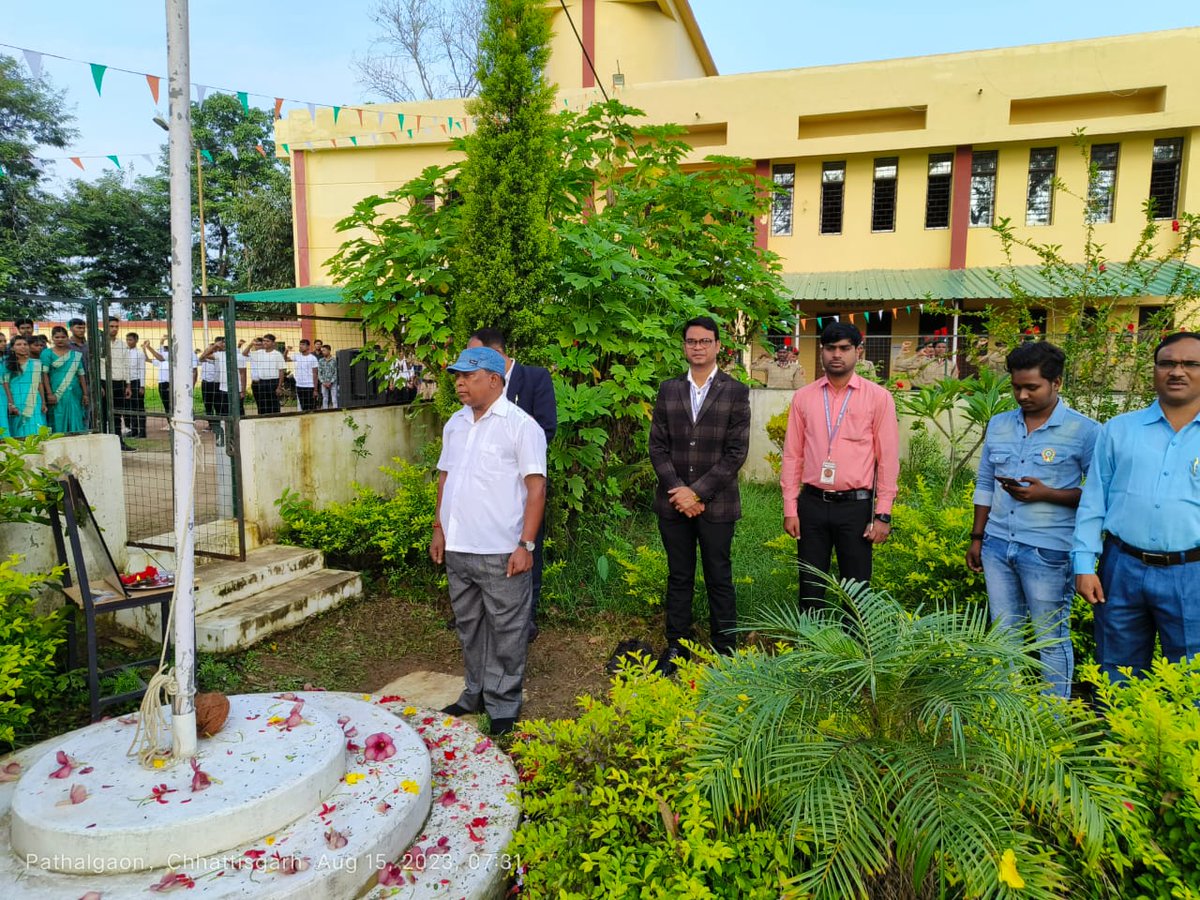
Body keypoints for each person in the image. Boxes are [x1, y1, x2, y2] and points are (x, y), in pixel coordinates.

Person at [965, 342, 1098, 698]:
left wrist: (1047, 494)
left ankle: (1054, 720)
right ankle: (1009, 713)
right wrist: (977, 537)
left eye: (1031, 387)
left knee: (1050, 639)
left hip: (1048, 550)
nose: (1022, 395)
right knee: (1004, 635)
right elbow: (984, 481)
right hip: (996, 545)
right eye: (1016, 387)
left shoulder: (1084, 432)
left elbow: (1100, 497)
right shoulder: (999, 424)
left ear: (1057, 383)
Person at [430, 346, 546, 737]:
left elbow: (536, 489)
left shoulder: (521, 426)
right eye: (457, 376)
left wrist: (525, 546)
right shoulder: (455, 424)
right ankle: (474, 692)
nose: (460, 383)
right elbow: (445, 479)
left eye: (469, 376)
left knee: (507, 629)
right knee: (470, 625)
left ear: (494, 380)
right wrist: (438, 528)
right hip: (459, 548)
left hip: (501, 549)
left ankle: (504, 702)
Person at [1073, 331, 1200, 684]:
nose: (1178, 371)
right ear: (1155, 370)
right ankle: (1120, 740)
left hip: (1193, 572)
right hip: (1121, 568)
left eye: (1191, 364)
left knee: (1192, 678)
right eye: (1168, 363)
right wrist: (1084, 564)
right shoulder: (1119, 430)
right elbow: (1094, 500)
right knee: (1117, 669)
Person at [649, 316, 751, 673]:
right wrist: (680, 492)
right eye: (691, 341)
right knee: (679, 576)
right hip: (673, 503)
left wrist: (698, 493)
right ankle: (677, 647)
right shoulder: (668, 389)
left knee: (719, 575)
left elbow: (736, 453)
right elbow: (657, 447)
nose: (697, 347)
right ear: (684, 346)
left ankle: (725, 650)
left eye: (705, 341)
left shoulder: (735, 391)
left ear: (718, 346)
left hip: (717, 505)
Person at [781, 321, 899, 611]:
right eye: (830, 348)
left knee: (856, 588)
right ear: (821, 351)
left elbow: (887, 459)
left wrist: (882, 514)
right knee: (810, 585)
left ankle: (854, 651)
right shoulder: (804, 397)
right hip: (812, 504)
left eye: (845, 348)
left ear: (858, 351)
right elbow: (792, 455)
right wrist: (789, 508)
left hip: (856, 507)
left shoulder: (879, 397)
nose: (837, 354)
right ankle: (810, 649)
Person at [466, 328, 558, 635]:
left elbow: (546, 429)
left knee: (527, 547)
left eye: (473, 355)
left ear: (495, 354)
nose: (466, 364)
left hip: (521, 486)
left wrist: (507, 454)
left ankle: (526, 618)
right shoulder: (474, 386)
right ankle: (482, 614)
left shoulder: (534, 378)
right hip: (483, 488)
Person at [41, 326, 89, 435]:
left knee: (76, 416)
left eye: (63, 337)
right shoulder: (47, 353)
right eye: (57, 337)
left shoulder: (75, 355)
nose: (60, 339)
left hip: (75, 392)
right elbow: (44, 375)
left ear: (67, 338)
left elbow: (81, 375)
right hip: (56, 392)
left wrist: (85, 394)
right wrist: (49, 393)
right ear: (52, 338)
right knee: (58, 417)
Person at [3, 336, 50, 437]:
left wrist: (43, 402)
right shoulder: (7, 364)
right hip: (17, 399)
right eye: (18, 344)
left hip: (35, 399)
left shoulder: (36, 363)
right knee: (19, 428)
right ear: (12, 348)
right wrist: (11, 404)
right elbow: (6, 385)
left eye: (25, 344)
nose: (23, 347)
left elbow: (39, 384)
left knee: (36, 426)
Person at [106, 317, 135, 450]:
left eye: (116, 326)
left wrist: (128, 385)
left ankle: (119, 442)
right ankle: (104, 443)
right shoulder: (98, 343)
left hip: (119, 382)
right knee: (103, 414)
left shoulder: (122, 344)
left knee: (117, 414)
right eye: (111, 326)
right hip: (103, 382)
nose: (114, 329)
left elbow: (126, 365)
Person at [242, 334, 286, 414]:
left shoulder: (277, 354)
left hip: (273, 382)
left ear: (273, 343)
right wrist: (251, 344)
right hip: (262, 382)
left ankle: (274, 421)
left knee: (273, 405)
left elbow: (281, 371)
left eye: (267, 341)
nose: (265, 343)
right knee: (262, 405)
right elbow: (244, 353)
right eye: (264, 341)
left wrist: (279, 387)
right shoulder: (259, 353)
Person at [125, 332, 147, 438]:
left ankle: (142, 432)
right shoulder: (125, 352)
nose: (129, 342)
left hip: (137, 382)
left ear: (136, 341)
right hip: (127, 382)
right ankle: (133, 430)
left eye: (131, 340)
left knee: (139, 407)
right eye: (127, 339)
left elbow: (142, 370)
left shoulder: (139, 354)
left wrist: (142, 386)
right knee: (130, 407)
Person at [292, 339, 320, 411]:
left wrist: (315, 389)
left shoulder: (313, 358)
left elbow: (315, 374)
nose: (301, 346)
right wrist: (286, 351)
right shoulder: (297, 356)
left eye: (303, 344)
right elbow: (285, 359)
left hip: (310, 386)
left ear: (308, 347)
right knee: (303, 407)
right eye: (300, 344)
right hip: (299, 386)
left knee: (311, 407)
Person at [317, 344, 338, 409]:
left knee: (334, 398)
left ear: (329, 350)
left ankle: (336, 411)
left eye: (324, 350)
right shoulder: (320, 361)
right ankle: (325, 411)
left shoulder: (334, 360)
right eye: (322, 351)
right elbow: (319, 373)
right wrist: (323, 382)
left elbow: (336, 372)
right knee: (325, 398)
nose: (322, 352)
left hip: (333, 383)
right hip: (324, 383)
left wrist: (331, 382)